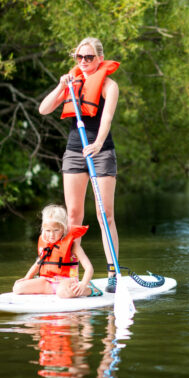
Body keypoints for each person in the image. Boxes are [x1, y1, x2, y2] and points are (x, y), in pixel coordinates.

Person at [38, 37, 121, 292]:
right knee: (73, 216)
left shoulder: (109, 85)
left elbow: (106, 120)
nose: (84, 62)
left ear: (100, 58)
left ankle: (113, 273)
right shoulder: (72, 83)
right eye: (80, 58)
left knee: (104, 214)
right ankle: (69, 272)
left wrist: (96, 144)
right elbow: (44, 109)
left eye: (89, 57)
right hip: (74, 151)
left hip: (100, 151)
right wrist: (61, 86)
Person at [13, 204, 102, 297]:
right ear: (43, 229)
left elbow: (89, 268)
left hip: (66, 282)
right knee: (18, 288)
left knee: (62, 293)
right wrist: (27, 278)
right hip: (47, 282)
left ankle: (90, 289)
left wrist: (83, 284)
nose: (51, 235)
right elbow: (37, 264)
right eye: (48, 230)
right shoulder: (46, 244)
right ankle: (54, 291)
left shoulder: (73, 246)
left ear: (63, 229)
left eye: (56, 230)